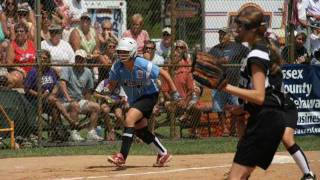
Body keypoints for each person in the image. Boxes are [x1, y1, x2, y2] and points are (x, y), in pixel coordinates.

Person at [218, 7, 286, 179]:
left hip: (265, 120)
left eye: (241, 26)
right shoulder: (257, 50)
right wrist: (240, 109)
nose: (236, 29)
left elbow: (259, 96)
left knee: (234, 178)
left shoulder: (256, 53)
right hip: (267, 118)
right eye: (236, 24)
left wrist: (225, 87)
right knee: (240, 176)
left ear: (253, 29)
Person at [107, 37, 181, 167]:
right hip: (135, 100)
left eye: (125, 52)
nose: (121, 55)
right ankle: (163, 153)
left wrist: (174, 92)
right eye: (120, 52)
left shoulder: (142, 64)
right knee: (140, 130)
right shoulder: (117, 67)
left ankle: (122, 157)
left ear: (133, 52)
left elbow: (164, 73)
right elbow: (111, 85)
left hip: (149, 96)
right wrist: (109, 92)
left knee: (129, 118)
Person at [209, 28, 249, 136]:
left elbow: (249, 54)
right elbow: (208, 62)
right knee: (218, 106)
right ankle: (224, 129)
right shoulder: (214, 49)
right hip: (219, 84)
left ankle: (233, 129)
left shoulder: (237, 47)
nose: (221, 37)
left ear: (229, 35)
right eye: (220, 35)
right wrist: (218, 61)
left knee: (236, 105)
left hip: (234, 83)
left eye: (223, 34)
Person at [59, 49, 103, 142]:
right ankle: (74, 132)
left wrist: (88, 102)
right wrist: (68, 98)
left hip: (79, 100)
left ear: (85, 60)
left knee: (96, 106)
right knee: (74, 105)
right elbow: (62, 84)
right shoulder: (68, 68)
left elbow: (88, 91)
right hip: (65, 102)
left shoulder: (87, 72)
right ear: (75, 59)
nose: (79, 61)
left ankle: (91, 132)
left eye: (81, 59)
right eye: (77, 58)